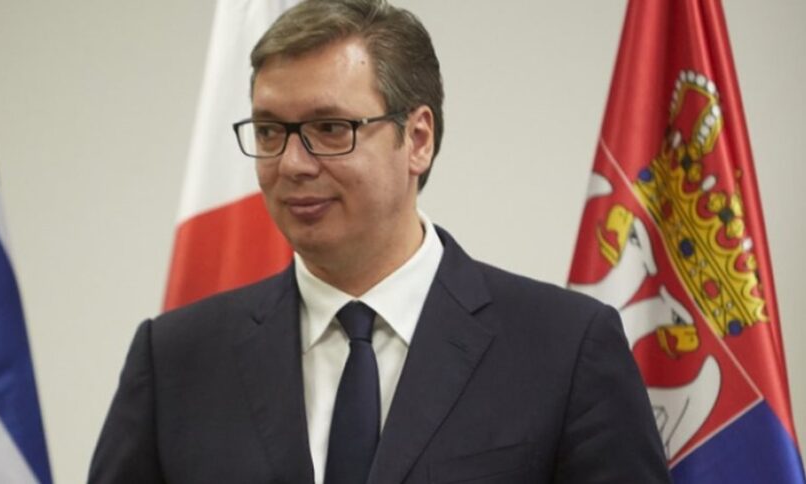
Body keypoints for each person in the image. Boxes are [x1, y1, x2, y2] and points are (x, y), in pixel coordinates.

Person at [89, 0, 671, 483]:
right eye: (269, 132)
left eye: (329, 129)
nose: (291, 163)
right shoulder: (175, 360)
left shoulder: (564, 348)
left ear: (417, 139)